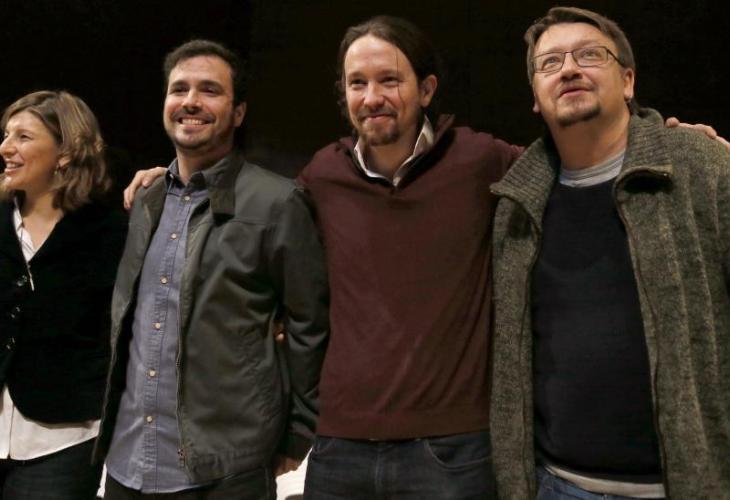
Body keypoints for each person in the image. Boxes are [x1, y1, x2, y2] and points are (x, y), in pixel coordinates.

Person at [121, 16, 729, 500]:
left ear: (426, 89)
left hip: (455, 453)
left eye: (390, 80)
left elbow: (579, 151)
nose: (373, 97)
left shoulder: (485, 162)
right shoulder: (322, 176)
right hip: (339, 447)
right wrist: (174, 182)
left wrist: (668, 139)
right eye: (357, 83)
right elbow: (252, 210)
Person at [489, 6, 730, 500]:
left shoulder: (699, 166)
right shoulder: (516, 203)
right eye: (550, 63)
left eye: (589, 55)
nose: (569, 69)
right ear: (535, 96)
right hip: (558, 485)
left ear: (628, 81)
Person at [94, 39, 329, 499]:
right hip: (128, 461)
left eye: (209, 90)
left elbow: (310, 325)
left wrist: (299, 430)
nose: (191, 101)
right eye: (179, 89)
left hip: (225, 468)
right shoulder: (146, 198)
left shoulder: (278, 203)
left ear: (238, 112)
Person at [0, 90, 127, 498]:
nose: (6, 147)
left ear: (66, 153)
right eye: (6, 135)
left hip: (63, 442)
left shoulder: (110, 233)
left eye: (23, 137)